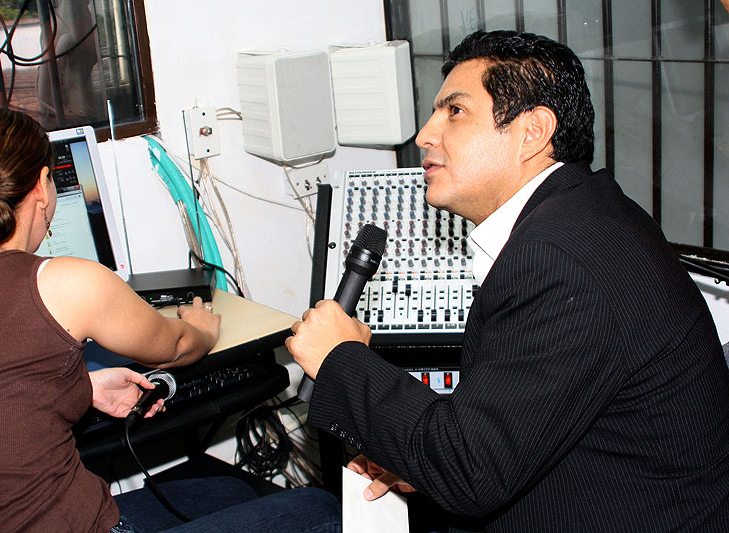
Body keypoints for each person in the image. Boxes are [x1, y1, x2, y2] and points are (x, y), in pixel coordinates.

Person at [287, 30, 729, 531]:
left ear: (532, 132)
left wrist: (339, 357)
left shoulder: (557, 258)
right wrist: (419, 462)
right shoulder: (587, 213)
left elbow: (469, 471)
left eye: (455, 111)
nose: (425, 135)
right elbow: (504, 433)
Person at [0, 106, 340, 533]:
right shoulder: (64, 281)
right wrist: (201, 327)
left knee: (230, 491)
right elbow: (175, 348)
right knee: (321, 508)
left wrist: (81, 386)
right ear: (42, 186)